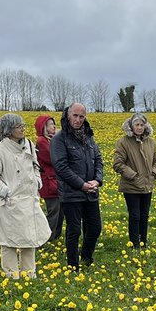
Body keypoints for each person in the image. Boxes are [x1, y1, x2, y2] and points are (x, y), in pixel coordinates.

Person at [0, 114, 49, 277]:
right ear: (8, 130)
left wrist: (37, 181)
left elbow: (35, 166)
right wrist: (6, 192)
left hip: (29, 199)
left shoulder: (28, 144)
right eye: (18, 126)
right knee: (8, 241)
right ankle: (11, 275)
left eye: (22, 125)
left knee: (30, 238)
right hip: (10, 202)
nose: (22, 129)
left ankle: (29, 274)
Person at [50, 103, 104, 269]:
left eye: (82, 117)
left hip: (91, 191)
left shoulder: (88, 137)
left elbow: (99, 160)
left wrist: (97, 180)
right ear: (68, 115)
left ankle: (86, 258)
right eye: (75, 116)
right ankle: (73, 265)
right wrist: (82, 185)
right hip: (71, 193)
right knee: (74, 231)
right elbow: (61, 167)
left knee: (95, 228)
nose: (78, 120)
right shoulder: (59, 139)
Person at [113, 112, 156, 248]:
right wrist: (133, 176)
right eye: (137, 125)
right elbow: (118, 163)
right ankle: (135, 244)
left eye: (142, 125)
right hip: (131, 185)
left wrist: (154, 173)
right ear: (131, 126)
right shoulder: (123, 142)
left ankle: (143, 242)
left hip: (147, 184)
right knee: (135, 215)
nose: (139, 127)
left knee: (144, 215)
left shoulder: (151, 142)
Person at [35, 113, 62, 243]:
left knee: (59, 211)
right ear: (44, 127)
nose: (54, 126)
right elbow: (53, 158)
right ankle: (48, 237)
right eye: (51, 124)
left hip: (54, 180)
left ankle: (55, 235)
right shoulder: (41, 141)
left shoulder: (49, 140)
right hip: (49, 181)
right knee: (54, 211)